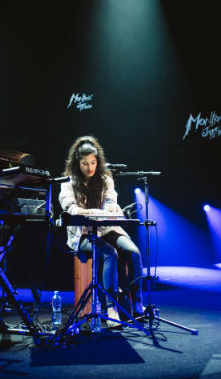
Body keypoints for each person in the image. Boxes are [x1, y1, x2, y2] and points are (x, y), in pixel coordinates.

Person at [58, 135, 145, 325]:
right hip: (82, 234)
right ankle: (111, 308)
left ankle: (137, 303)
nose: (90, 167)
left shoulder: (106, 179)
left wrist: (111, 208)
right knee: (109, 254)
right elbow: (71, 208)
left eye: (93, 162)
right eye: (84, 163)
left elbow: (110, 201)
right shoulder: (68, 182)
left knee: (133, 251)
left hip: (106, 228)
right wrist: (93, 211)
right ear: (76, 163)